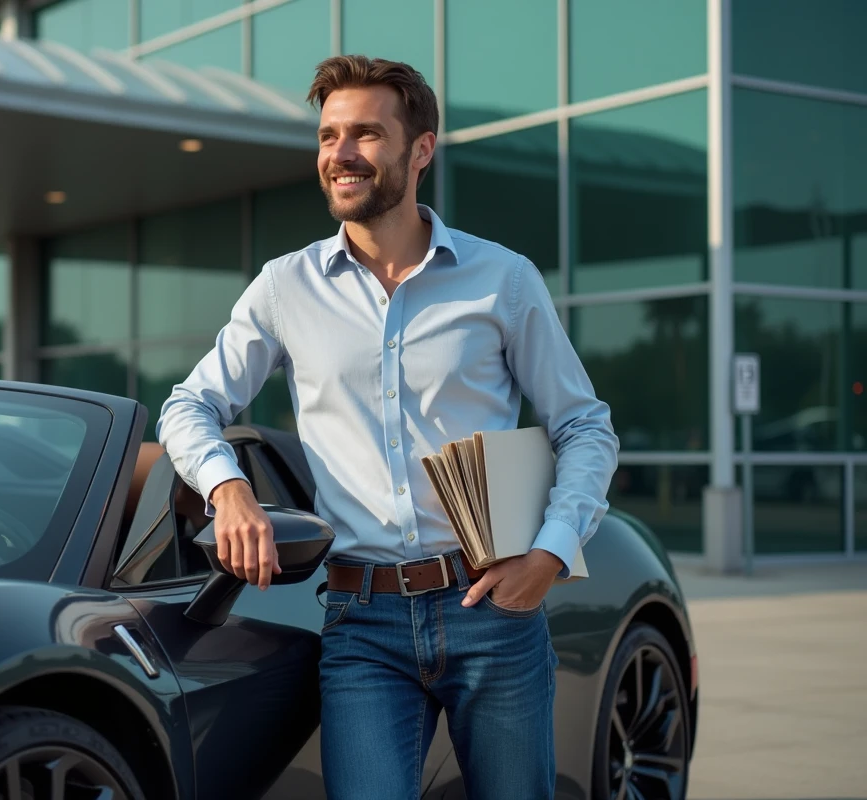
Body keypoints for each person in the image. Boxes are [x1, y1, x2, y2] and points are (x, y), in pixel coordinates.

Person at [156, 54, 619, 800]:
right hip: (361, 621)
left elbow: (585, 426)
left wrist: (550, 555)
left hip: (492, 610)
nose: (339, 154)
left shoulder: (502, 280)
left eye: (365, 134)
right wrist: (228, 491)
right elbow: (188, 405)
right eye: (327, 136)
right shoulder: (285, 287)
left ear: (421, 149)